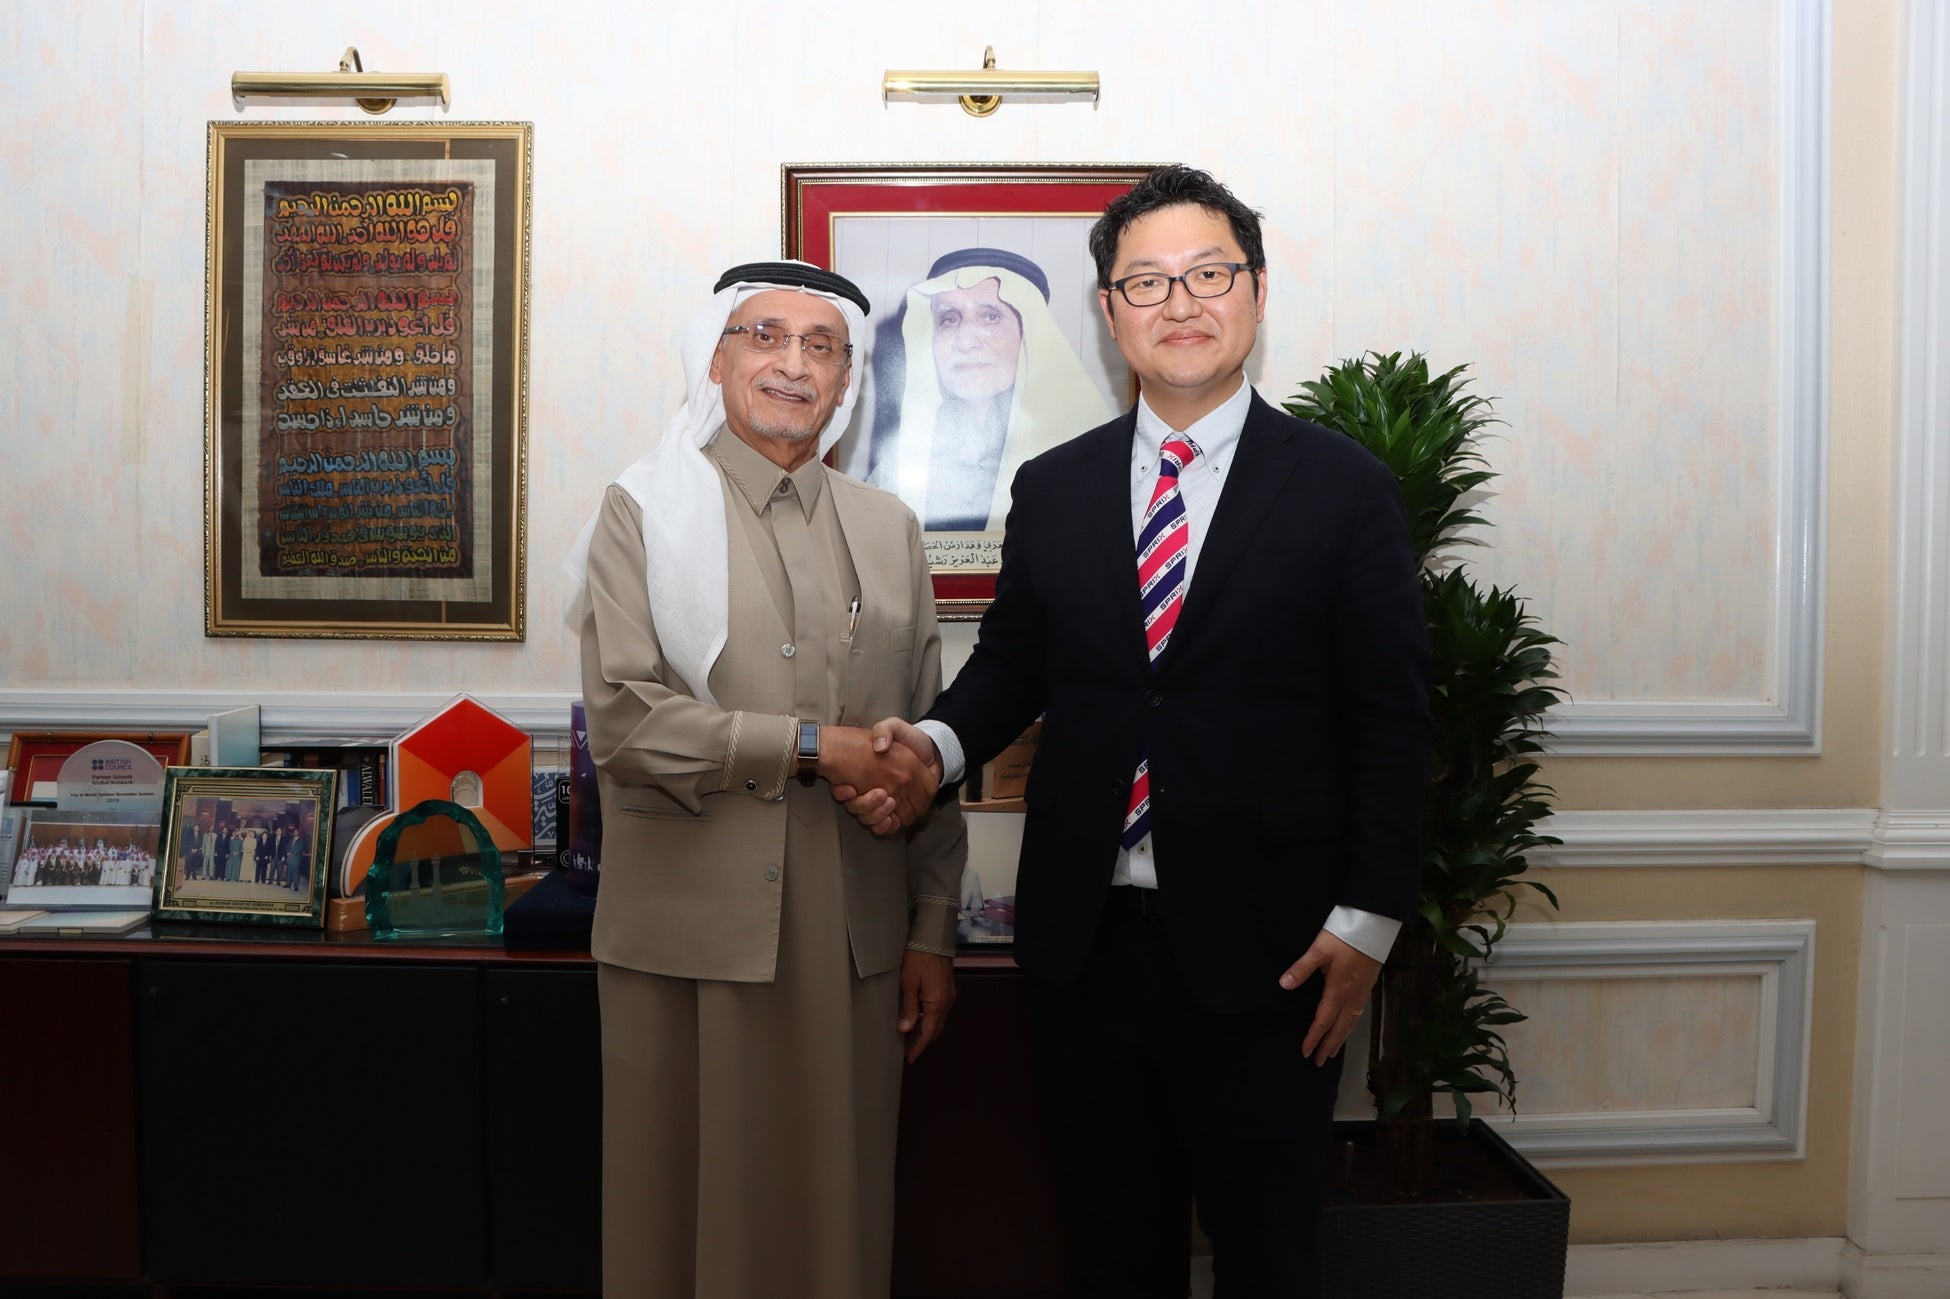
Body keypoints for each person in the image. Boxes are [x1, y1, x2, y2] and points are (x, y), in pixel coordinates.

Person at [846, 166, 1432, 1298]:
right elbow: (1013, 665)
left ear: (1257, 293)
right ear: (1110, 312)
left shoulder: (1345, 490)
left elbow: (1392, 719)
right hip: (1087, 946)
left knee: (1269, 1256)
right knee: (1109, 1252)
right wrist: (932, 748)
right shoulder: (1055, 486)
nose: (1180, 302)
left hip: (1276, 950)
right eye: (1147, 281)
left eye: (1208, 273)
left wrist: (1367, 923)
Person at [563, 260, 968, 1299]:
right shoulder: (643, 511)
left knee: (834, 1223)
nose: (793, 363)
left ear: (847, 380)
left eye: (821, 346)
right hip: (685, 940)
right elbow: (626, 724)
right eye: (764, 336)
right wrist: (814, 747)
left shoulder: (889, 528)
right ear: (715, 359)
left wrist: (931, 929)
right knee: (678, 1224)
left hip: (852, 944)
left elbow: (926, 741)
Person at [863, 247, 1112, 532]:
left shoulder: (1083, 449)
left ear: (1026, 335)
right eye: (949, 319)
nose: (965, 341)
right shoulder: (902, 455)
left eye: (990, 317)